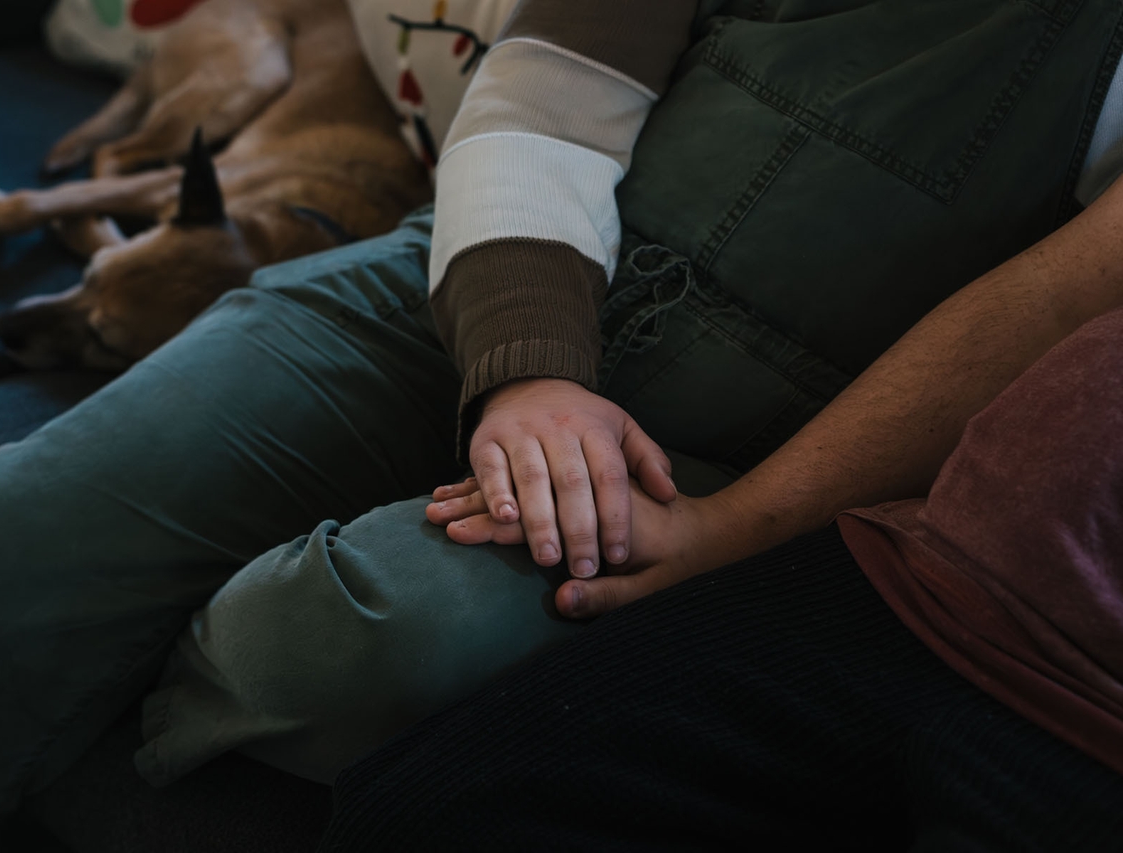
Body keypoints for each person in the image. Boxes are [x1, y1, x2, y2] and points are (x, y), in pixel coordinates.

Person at [0, 1, 1120, 851]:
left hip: (770, 439)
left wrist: (741, 527)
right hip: (467, 280)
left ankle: (94, 656)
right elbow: (540, 101)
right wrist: (524, 371)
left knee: (337, 643)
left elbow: (1063, 303)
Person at [319, 172, 1123, 852]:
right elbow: (1060, 287)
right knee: (404, 815)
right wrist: (728, 524)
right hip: (916, 571)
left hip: (1085, 735)